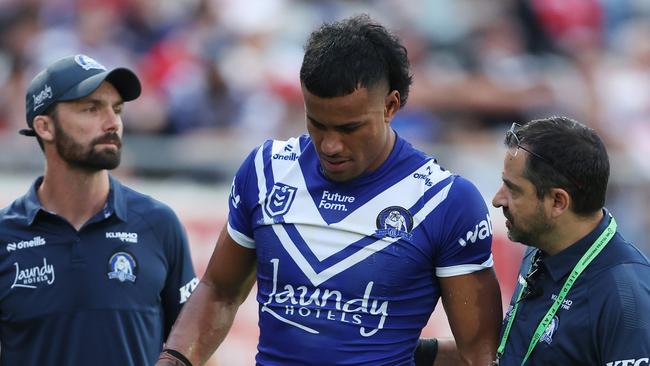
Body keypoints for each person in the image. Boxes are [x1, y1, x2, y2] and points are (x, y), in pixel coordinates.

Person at [157, 15, 502, 366]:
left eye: (349, 128)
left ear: (391, 106)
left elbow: (479, 354)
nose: (331, 145)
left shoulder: (446, 201)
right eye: (317, 124)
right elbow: (220, 292)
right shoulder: (267, 171)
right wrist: (173, 360)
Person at [0, 54, 198, 365]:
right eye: (92, 109)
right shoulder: (5, 236)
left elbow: (196, 343)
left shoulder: (159, 224)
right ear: (45, 127)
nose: (113, 123)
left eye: (116, 109)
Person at [491, 116, 650, 365]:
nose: (497, 199)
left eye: (513, 190)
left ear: (558, 202)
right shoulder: (539, 250)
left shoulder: (625, 296)